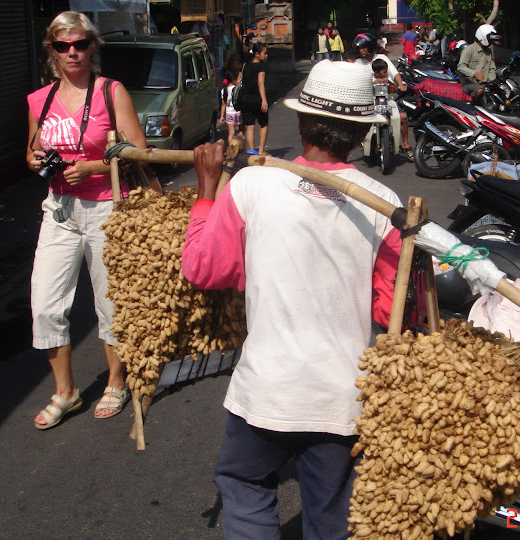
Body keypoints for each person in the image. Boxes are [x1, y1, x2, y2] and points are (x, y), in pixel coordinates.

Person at [181, 59, 402, 540]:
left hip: (268, 392)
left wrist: (204, 193)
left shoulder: (250, 184)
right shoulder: (384, 206)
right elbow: (393, 311)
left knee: (244, 480)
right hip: (343, 398)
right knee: (331, 515)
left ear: (300, 122)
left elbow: (204, 268)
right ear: (363, 132)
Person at [26, 11, 156, 429]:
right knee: (45, 305)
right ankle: (66, 392)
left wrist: (95, 167)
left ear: (92, 46)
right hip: (59, 209)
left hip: (106, 207)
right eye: (63, 46)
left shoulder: (109, 92)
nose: (72, 52)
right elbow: (31, 150)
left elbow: (137, 150)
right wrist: (33, 161)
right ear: (51, 50)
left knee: (109, 303)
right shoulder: (38, 100)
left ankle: (115, 382)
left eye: (80, 44)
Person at [354, 34, 413, 159]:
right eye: (360, 48)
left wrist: (401, 84)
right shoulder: (359, 63)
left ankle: (405, 144)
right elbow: (356, 79)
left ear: (370, 47)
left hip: (386, 98)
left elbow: (395, 73)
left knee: (402, 117)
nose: (361, 50)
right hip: (368, 99)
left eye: (364, 47)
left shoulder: (382, 58)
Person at [457, 24, 501, 104]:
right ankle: (473, 104)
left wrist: (493, 81)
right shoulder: (469, 50)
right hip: (469, 83)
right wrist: (474, 73)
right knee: (479, 90)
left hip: (484, 83)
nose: (491, 43)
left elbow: (492, 68)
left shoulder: (488, 52)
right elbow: (461, 67)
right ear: (483, 37)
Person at [239, 43, 270, 155]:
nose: (266, 56)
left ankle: (252, 152)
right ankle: (261, 150)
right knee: (264, 124)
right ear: (257, 54)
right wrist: (264, 100)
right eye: (264, 53)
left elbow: (240, 81)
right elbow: (261, 84)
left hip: (245, 99)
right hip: (257, 99)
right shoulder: (260, 67)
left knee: (250, 127)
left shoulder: (245, 66)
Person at [220, 68, 243, 145]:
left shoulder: (223, 90)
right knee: (241, 130)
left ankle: (231, 148)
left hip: (229, 113)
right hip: (238, 111)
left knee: (231, 133)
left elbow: (223, 104)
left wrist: (221, 116)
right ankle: (240, 146)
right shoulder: (237, 88)